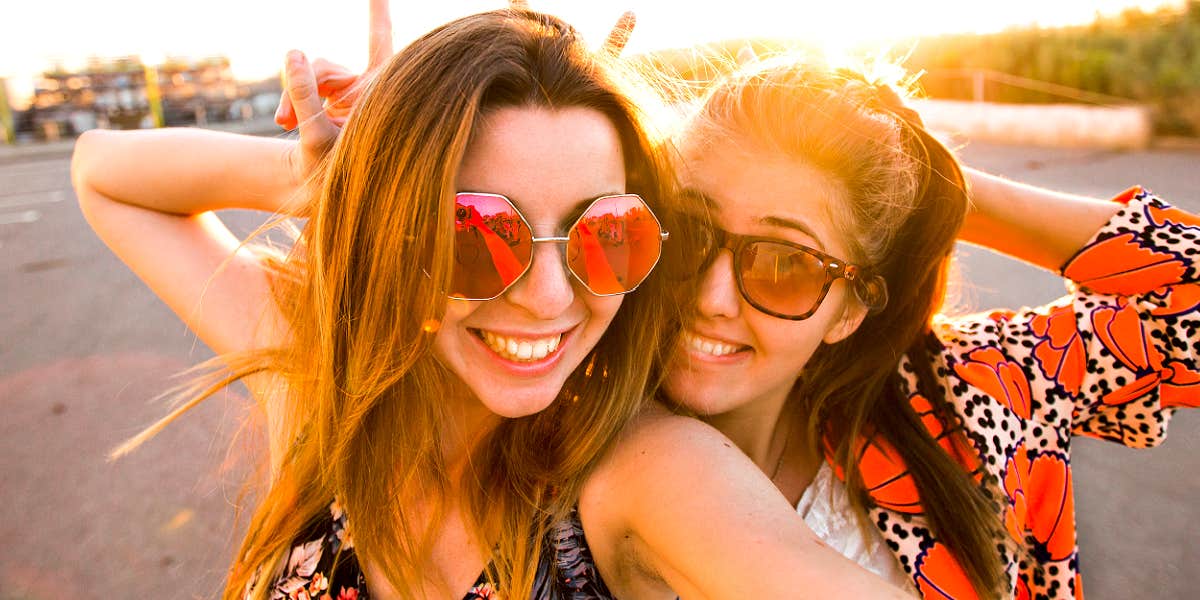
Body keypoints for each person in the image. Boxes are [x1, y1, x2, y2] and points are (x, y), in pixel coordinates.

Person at [71, 7, 913, 600]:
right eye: (478, 234)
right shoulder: (331, 379)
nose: (549, 297)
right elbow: (103, 173)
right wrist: (344, 177)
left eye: (602, 234)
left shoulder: (643, 477)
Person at [662, 53, 1200, 600]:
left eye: (786, 264)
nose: (712, 298)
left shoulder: (960, 401)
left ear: (851, 309)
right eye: (686, 232)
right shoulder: (578, 426)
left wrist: (930, 185)